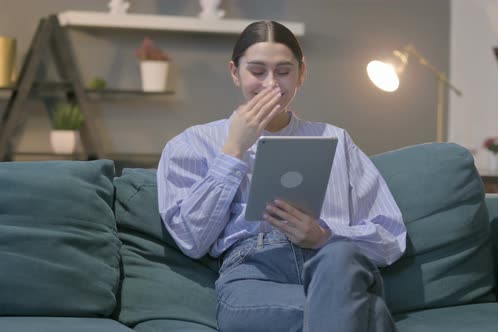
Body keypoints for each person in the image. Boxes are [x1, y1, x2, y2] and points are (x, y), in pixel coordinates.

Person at [157, 20, 407, 332]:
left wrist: (324, 237)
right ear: (235, 72)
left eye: (284, 71)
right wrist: (233, 150)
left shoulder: (336, 140)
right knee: (370, 315)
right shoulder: (193, 143)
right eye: (257, 71)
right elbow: (191, 240)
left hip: (331, 268)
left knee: (340, 256)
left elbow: (391, 237)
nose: (271, 85)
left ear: (302, 73)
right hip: (252, 274)